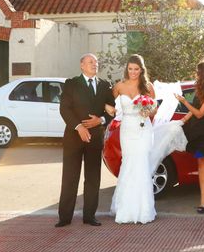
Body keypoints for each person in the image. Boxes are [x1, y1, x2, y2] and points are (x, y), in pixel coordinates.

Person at [57, 53, 115, 227]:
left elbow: (112, 111)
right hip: (73, 137)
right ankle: (64, 218)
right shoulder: (71, 84)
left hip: (95, 138)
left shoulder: (105, 85)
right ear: (82, 65)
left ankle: (89, 216)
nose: (94, 64)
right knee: (70, 177)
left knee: (93, 177)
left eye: (96, 62)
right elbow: (64, 109)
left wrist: (101, 120)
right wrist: (79, 127)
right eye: (90, 62)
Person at [110, 54, 157, 224]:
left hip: (143, 129)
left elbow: (154, 108)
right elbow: (107, 102)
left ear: (141, 70)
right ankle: (125, 209)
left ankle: (143, 209)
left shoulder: (148, 86)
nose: (133, 72)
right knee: (128, 163)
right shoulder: (119, 86)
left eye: (136, 69)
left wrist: (148, 111)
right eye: (130, 69)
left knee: (142, 164)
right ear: (126, 69)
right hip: (127, 129)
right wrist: (108, 109)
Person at [175, 59, 204, 214]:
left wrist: (183, 102)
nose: (196, 74)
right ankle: (203, 199)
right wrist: (182, 120)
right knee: (201, 162)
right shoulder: (200, 89)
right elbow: (194, 110)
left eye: (198, 72)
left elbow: (200, 113)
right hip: (198, 132)